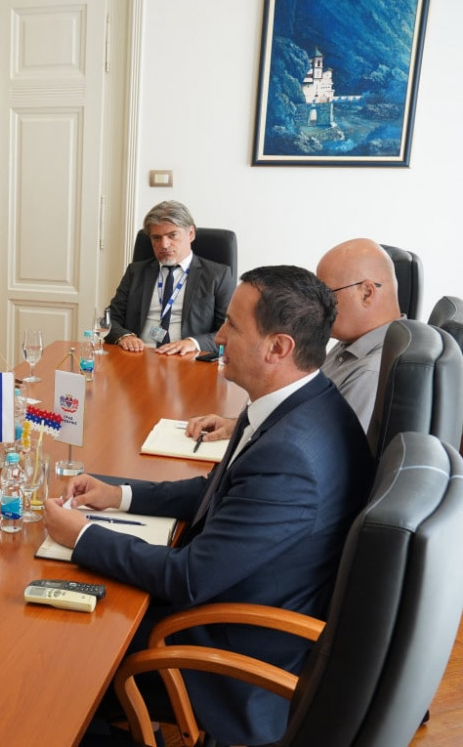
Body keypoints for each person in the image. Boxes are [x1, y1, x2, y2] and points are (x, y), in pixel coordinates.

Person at [44, 266, 374, 745]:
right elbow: (220, 490)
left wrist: (81, 536)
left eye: (232, 327)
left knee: (60, 648)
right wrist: (119, 495)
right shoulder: (298, 405)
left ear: (278, 347)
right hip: (232, 603)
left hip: (228, 656)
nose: (217, 336)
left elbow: (189, 577)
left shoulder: (291, 458)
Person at [187, 237, 401, 440]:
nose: (319, 305)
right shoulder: (351, 345)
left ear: (367, 293)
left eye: (327, 295)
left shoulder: (371, 373)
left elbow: (317, 446)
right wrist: (239, 426)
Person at [104, 200, 234, 355]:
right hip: (139, 354)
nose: (164, 245)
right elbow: (110, 318)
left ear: (190, 234)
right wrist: (124, 336)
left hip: (187, 358)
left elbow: (230, 330)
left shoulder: (217, 275)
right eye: (156, 238)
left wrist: (193, 343)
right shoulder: (136, 272)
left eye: (172, 235)